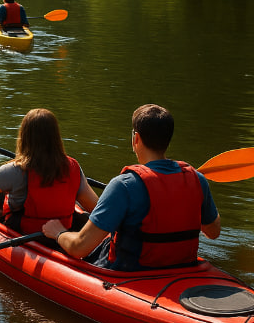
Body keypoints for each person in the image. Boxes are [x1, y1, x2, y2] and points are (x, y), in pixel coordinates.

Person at [42, 104, 220, 271]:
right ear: (168, 139)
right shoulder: (197, 179)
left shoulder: (124, 185)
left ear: (136, 138)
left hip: (129, 272)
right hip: (181, 267)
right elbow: (213, 232)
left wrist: (58, 233)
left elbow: (79, 248)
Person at [0, 108, 98, 236]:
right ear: (56, 137)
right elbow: (97, 209)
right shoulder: (73, 167)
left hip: (24, 235)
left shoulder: (14, 171)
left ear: (24, 137)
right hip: (60, 235)